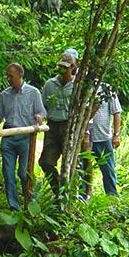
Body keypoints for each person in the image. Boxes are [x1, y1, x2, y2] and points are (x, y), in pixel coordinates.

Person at [0, 63, 46, 211]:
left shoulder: (33, 93)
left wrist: (39, 117)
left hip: (25, 137)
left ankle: (30, 203)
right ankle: (14, 207)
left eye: (11, 76)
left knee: (23, 172)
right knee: (8, 174)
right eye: (7, 75)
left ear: (20, 76)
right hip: (8, 136)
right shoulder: (4, 94)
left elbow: (42, 111)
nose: (8, 79)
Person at [39, 50, 78, 195]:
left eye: (65, 67)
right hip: (52, 126)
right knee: (46, 162)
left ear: (72, 67)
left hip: (69, 126)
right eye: (60, 66)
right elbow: (42, 106)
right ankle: (58, 193)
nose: (62, 70)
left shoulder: (77, 85)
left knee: (69, 163)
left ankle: (71, 194)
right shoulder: (50, 84)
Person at [85, 83, 122, 196]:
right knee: (83, 168)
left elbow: (117, 112)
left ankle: (112, 196)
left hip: (103, 137)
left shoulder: (107, 89)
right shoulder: (80, 87)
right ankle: (83, 197)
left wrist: (116, 134)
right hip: (83, 138)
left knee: (108, 169)